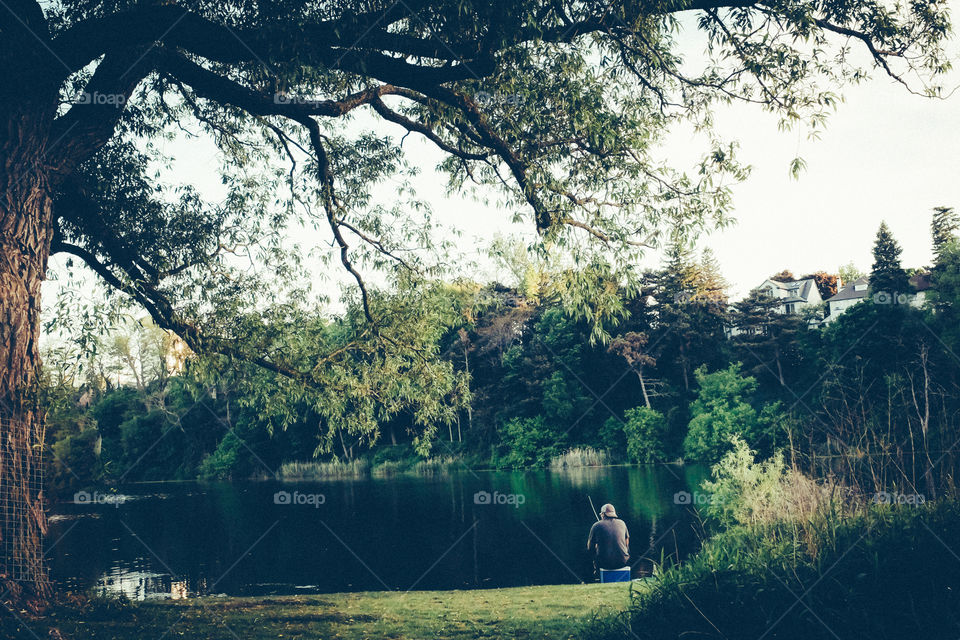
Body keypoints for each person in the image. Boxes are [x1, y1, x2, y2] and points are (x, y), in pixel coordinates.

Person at [586, 503, 630, 574]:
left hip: (604, 564)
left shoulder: (596, 525)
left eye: (601, 514)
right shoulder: (622, 523)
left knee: (594, 556)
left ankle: (596, 574)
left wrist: (597, 549)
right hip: (623, 562)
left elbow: (589, 547)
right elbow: (626, 542)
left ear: (603, 514)